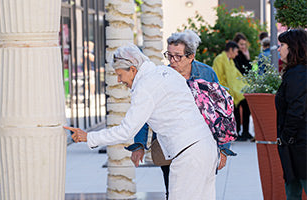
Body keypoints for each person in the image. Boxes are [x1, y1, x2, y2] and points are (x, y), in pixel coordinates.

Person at [65, 43, 218, 200]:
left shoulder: (145, 87)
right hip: (205, 147)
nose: (119, 80)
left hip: (189, 157)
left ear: (132, 69)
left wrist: (89, 137)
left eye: (119, 74)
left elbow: (126, 131)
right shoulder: (165, 72)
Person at [126, 30, 228, 199]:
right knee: (173, 192)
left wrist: (223, 149)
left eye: (177, 56)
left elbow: (222, 112)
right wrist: (139, 145)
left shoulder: (207, 75)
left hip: (201, 146)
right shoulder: (159, 76)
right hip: (171, 148)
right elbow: (144, 113)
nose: (172, 61)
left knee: (201, 191)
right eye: (169, 55)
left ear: (191, 56)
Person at [275, 29, 307, 200]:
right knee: (292, 188)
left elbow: (296, 109)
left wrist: (285, 137)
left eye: (282, 45)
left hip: (299, 145)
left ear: (293, 47)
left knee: (294, 190)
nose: (278, 49)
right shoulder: (296, 72)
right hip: (296, 144)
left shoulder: (298, 74)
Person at [212, 41, 247, 141]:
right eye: (236, 52)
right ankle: (233, 133)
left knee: (238, 110)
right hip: (224, 91)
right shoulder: (220, 59)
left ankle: (238, 132)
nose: (237, 54)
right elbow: (217, 76)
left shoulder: (230, 61)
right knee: (232, 113)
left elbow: (237, 76)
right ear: (231, 50)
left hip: (232, 91)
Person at [232, 33, 253, 141]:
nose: (243, 46)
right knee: (236, 109)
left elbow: (249, 71)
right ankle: (237, 132)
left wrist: (248, 57)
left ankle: (245, 131)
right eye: (241, 44)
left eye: (244, 44)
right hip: (235, 86)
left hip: (243, 86)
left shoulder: (243, 55)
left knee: (246, 108)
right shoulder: (233, 56)